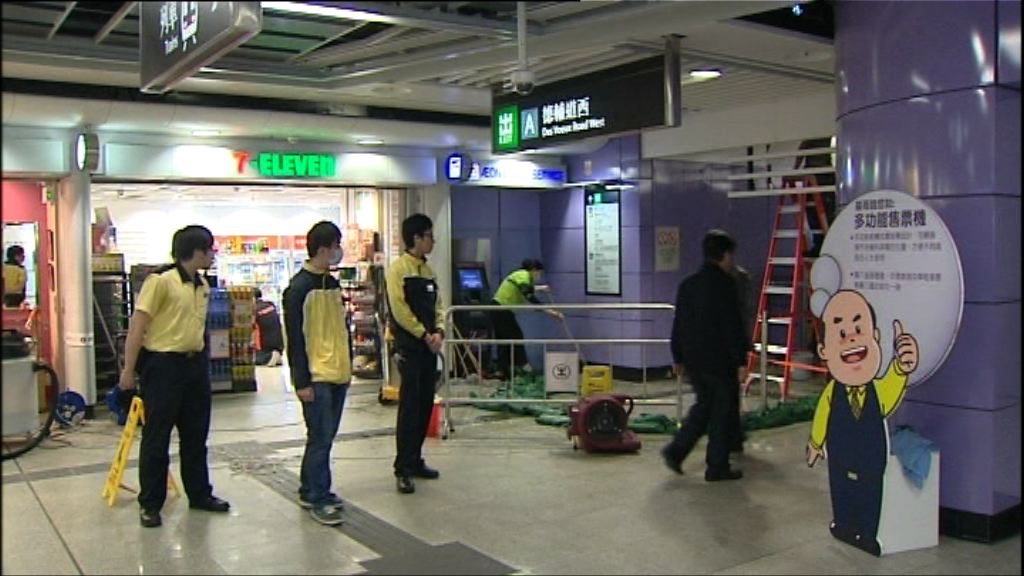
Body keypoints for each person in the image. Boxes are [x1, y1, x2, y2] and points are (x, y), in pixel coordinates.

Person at [118, 225, 230, 528]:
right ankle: (150, 504)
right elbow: (138, 327)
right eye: (210, 249)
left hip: (195, 366)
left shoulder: (202, 285)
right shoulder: (161, 282)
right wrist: (128, 370)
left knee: (196, 435)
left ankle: (200, 494)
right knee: (157, 437)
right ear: (196, 251)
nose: (213, 254)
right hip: (163, 367)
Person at [806, 290, 919, 556]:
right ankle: (843, 524)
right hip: (840, 454)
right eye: (841, 334)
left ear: (875, 337)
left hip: (870, 456)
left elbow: (890, 394)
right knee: (841, 488)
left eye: (859, 327)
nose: (852, 337)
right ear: (824, 350)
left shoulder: (876, 390)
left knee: (870, 493)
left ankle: (867, 533)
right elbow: (823, 414)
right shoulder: (832, 392)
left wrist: (900, 368)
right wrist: (815, 441)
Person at [661, 230, 751, 482]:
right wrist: (742, 360)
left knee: (704, 407)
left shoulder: (687, 285)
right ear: (725, 255)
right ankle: (717, 466)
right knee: (721, 411)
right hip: (719, 360)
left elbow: (679, 323)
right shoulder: (725, 284)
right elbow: (731, 325)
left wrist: (677, 356)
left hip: (694, 359)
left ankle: (676, 451)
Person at [283, 221, 351, 526]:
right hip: (316, 374)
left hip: (339, 372)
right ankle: (318, 496)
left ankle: (310, 488)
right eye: (336, 245)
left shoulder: (332, 284)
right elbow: (294, 338)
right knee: (320, 437)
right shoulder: (298, 288)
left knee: (325, 436)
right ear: (323, 248)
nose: (339, 252)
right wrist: (302, 381)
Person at [385, 213, 444, 495]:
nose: (433, 241)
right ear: (417, 238)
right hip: (410, 347)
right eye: (430, 235)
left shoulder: (429, 271)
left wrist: (440, 332)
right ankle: (403, 468)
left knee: (424, 404)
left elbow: (439, 305)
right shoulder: (398, 270)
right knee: (409, 407)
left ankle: (416, 459)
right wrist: (423, 334)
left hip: (429, 346)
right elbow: (399, 309)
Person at [490, 259, 563, 378]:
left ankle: (504, 371)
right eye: (539, 273)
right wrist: (551, 312)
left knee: (505, 340)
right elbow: (528, 294)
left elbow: (526, 289)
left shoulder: (520, 276)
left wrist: (541, 288)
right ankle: (522, 366)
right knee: (515, 336)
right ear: (534, 270)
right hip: (501, 310)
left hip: (500, 309)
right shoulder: (523, 275)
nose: (539, 276)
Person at [252, 288, 284, 367]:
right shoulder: (270, 305)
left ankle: (268, 357)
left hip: (265, 347)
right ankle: (276, 354)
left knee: (249, 358)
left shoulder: (253, 310)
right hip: (279, 345)